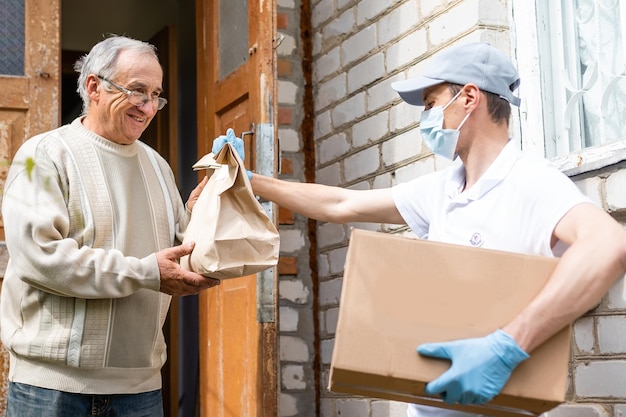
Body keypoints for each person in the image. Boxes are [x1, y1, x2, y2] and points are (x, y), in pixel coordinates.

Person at [212, 42, 626, 417]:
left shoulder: (530, 182)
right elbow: (342, 204)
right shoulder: (444, 188)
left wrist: (507, 346)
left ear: (468, 98)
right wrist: (250, 180)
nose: (426, 118)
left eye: (431, 103)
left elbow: (609, 244)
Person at [1, 35, 219, 416]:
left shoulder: (158, 165)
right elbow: (41, 258)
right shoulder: (41, 155)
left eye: (156, 95)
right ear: (93, 86)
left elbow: (179, 251)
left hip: (141, 389)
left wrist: (205, 216)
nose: (149, 107)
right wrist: (146, 272)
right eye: (137, 91)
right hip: (51, 390)